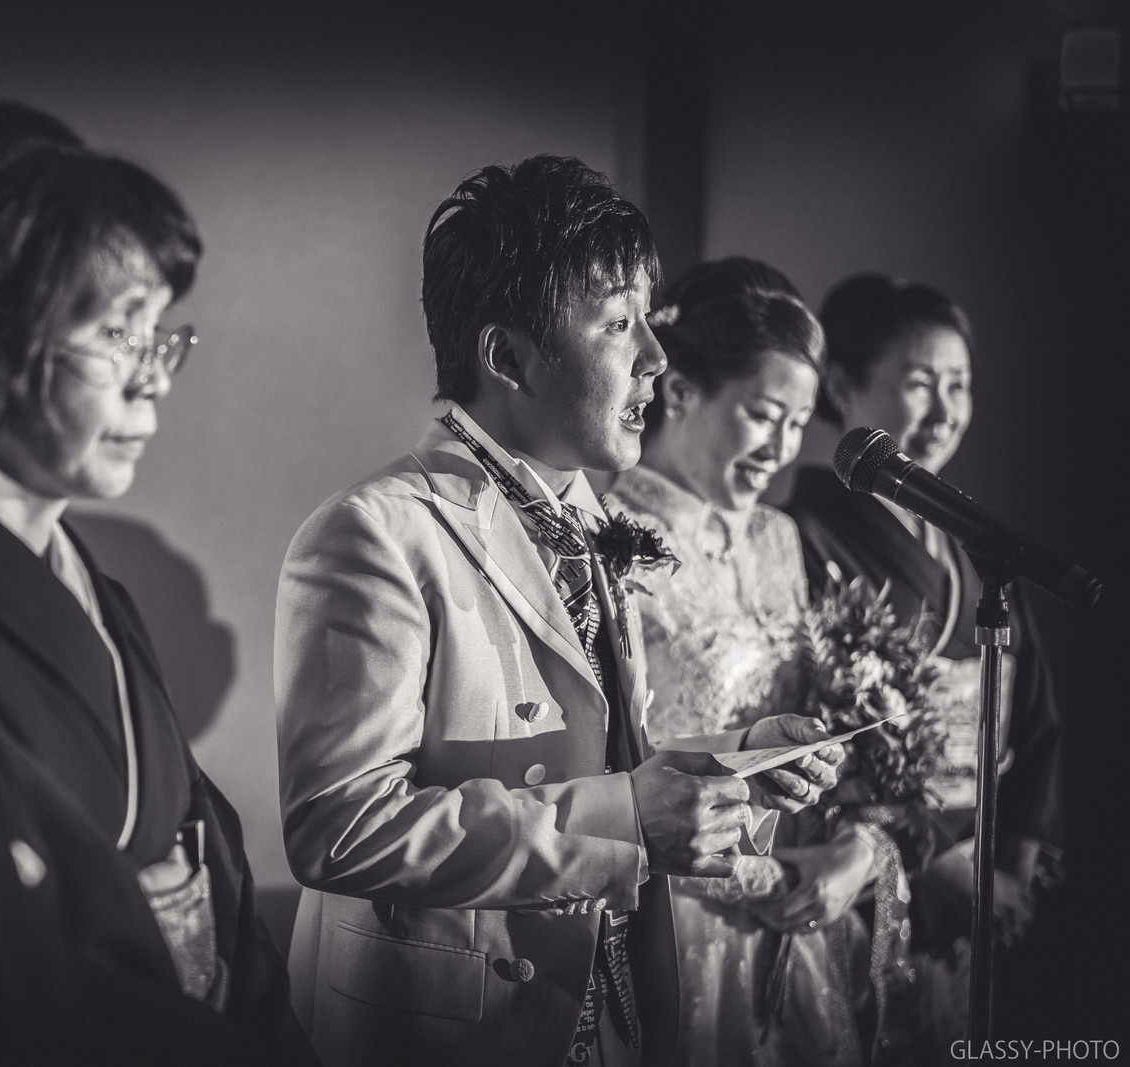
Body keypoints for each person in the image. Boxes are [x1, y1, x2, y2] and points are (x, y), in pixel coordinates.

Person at [274, 157, 842, 1067]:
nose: (656, 357)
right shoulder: (373, 531)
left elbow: (601, 755)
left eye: (647, 322)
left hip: (606, 1003)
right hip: (457, 1024)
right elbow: (339, 826)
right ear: (507, 357)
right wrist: (625, 819)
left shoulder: (588, 516)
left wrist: (737, 760)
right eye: (618, 325)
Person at [0, 113, 312, 1061]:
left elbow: (209, 850)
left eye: (159, 337)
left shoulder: (93, 586)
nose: (151, 380)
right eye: (118, 333)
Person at [606, 257, 888, 1065]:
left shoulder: (778, 536)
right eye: (764, 414)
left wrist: (850, 848)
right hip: (675, 907)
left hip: (800, 905)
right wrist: (760, 877)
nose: (783, 447)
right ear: (680, 391)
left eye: (798, 423)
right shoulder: (609, 538)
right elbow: (612, 759)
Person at [782, 274, 1064, 1053]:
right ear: (843, 386)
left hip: (986, 877)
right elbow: (818, 738)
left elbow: (1034, 720)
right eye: (918, 382)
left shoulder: (974, 550)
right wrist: (943, 864)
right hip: (876, 881)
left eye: (959, 385)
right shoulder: (805, 536)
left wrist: (1012, 865)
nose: (944, 410)